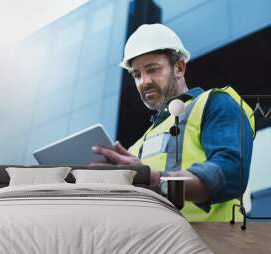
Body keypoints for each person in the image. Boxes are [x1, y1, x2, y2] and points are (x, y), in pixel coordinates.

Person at [92, 23, 255, 221]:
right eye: (137, 75)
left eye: (152, 69)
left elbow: (230, 172)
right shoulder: (135, 149)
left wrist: (156, 181)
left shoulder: (213, 103)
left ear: (179, 67)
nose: (144, 81)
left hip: (213, 246)